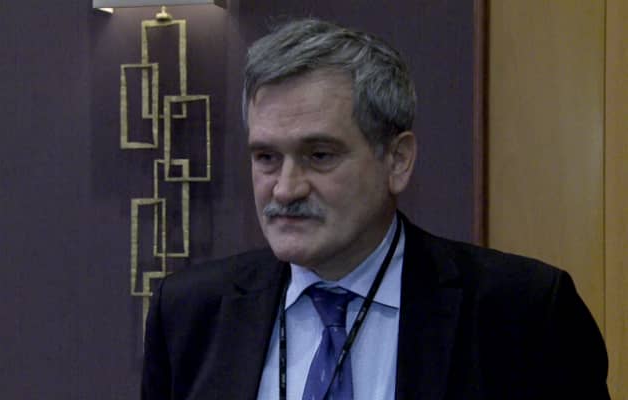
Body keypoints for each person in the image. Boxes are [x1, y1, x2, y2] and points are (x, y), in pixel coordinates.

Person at [141, 18, 609, 400]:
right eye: (266, 157)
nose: (284, 189)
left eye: (319, 155)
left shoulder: (523, 312)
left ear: (398, 160)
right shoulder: (189, 313)